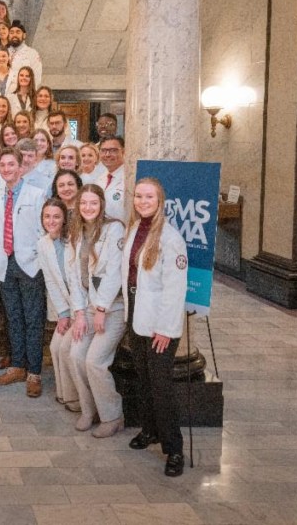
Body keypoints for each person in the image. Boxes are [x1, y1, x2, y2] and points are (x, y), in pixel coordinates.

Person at [122, 177, 189, 478]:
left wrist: (165, 329)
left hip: (160, 323)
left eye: (149, 197)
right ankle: (150, 430)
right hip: (137, 313)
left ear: (160, 201)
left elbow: (175, 290)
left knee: (161, 386)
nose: (142, 201)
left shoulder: (171, 238)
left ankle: (174, 449)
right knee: (144, 379)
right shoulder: (135, 228)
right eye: (138, 196)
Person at [69, 183, 127, 438]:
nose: (88, 207)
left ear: (101, 204)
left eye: (93, 203)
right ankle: (89, 410)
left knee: (95, 361)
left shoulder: (114, 229)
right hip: (89, 307)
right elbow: (75, 277)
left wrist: (101, 308)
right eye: (83, 203)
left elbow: (115, 272)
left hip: (113, 308)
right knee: (75, 355)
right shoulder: (77, 231)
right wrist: (80, 313)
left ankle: (113, 416)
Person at [0, 147, 46, 398]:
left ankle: (34, 373)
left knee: (33, 319)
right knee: (13, 317)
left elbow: (44, 230)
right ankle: (17, 367)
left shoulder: (37, 194)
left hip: (30, 265)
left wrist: (36, 256)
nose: (6, 169)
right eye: (2, 165)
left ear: (21, 168)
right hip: (6, 263)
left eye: (11, 164)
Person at [36, 198, 78, 407]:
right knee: (54, 347)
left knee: (66, 349)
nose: (51, 221)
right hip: (67, 307)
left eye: (56, 217)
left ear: (64, 219)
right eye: (47, 216)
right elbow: (51, 282)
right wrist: (63, 314)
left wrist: (76, 313)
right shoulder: (43, 244)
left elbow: (79, 280)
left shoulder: (74, 240)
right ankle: (63, 394)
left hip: (83, 306)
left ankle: (75, 399)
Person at [99, 136, 127, 222]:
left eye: (113, 150)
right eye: (103, 150)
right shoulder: (100, 179)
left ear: (123, 152)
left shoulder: (129, 178)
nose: (107, 155)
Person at [8, 21, 43, 87]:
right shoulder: (3, 53)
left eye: (18, 32)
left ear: (24, 35)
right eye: (11, 33)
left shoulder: (32, 53)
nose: (14, 35)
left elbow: (37, 77)